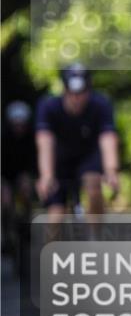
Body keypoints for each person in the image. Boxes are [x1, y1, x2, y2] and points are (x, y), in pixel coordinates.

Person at [35, 64, 120, 221]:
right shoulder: (48, 106)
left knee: (94, 184)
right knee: (55, 217)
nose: (77, 98)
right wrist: (46, 175)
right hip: (59, 159)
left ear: (89, 90)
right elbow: (45, 142)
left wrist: (111, 170)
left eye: (81, 93)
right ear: (64, 90)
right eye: (72, 93)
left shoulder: (101, 104)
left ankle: (94, 240)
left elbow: (107, 137)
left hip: (88, 155)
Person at [1, 101, 36, 255]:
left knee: (26, 192)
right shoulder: (3, 137)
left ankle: (27, 224)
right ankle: (6, 234)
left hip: (23, 173)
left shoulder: (32, 137)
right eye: (16, 124)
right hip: (4, 174)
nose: (19, 128)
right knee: (5, 201)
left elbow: (34, 161)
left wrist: (28, 176)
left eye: (22, 124)